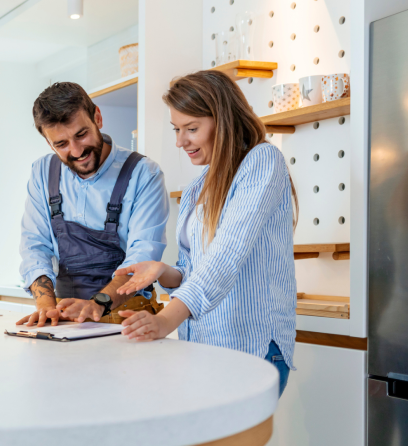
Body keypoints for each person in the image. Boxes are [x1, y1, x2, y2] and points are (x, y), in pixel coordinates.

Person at [115, 70, 298, 397]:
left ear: (223, 120)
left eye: (191, 129)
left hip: (251, 349)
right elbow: (192, 266)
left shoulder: (262, 160)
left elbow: (226, 256)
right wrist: (165, 271)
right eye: (176, 129)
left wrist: (165, 321)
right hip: (203, 347)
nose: (180, 141)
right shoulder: (197, 187)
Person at [17, 82, 169, 327]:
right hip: (66, 318)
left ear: (97, 117)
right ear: (49, 143)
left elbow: (141, 259)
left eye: (81, 134)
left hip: (128, 318)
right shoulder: (43, 172)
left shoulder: (143, 174)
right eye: (61, 144)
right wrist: (47, 307)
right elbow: (35, 246)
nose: (76, 151)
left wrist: (96, 304)